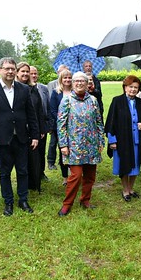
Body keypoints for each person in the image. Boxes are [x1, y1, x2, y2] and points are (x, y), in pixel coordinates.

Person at [0, 57, 39, 216]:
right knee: (4, 173)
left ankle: (23, 199)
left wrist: (34, 135)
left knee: (23, 170)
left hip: (21, 138)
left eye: (12, 68)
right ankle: (8, 202)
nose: (10, 71)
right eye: (6, 68)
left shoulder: (23, 89)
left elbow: (31, 114)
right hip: (1, 140)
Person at [57, 72, 105, 216]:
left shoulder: (93, 100)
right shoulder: (67, 100)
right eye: (76, 81)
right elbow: (61, 125)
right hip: (74, 146)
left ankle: (85, 200)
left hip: (91, 145)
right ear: (72, 83)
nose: (79, 83)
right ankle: (67, 204)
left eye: (82, 81)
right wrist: (63, 145)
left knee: (90, 176)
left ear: (87, 83)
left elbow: (98, 122)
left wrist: (101, 141)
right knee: (76, 176)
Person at [105, 75, 141, 202]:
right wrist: (112, 140)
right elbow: (111, 122)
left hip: (137, 141)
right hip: (122, 141)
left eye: (136, 87)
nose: (133, 90)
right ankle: (125, 190)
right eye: (131, 87)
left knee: (135, 165)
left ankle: (131, 188)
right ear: (125, 87)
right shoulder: (117, 101)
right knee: (124, 165)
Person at [16, 62, 45, 192]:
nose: (26, 74)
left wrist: (41, 129)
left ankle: (35, 183)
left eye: (27, 72)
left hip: (33, 128)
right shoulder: (13, 89)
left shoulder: (33, 89)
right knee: (22, 159)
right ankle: (24, 184)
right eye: (23, 71)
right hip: (19, 130)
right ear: (17, 72)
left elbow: (39, 110)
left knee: (35, 157)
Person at [49, 69, 73, 186]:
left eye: (69, 77)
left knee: (75, 151)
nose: (67, 80)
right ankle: (65, 178)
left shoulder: (76, 92)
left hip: (75, 128)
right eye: (65, 78)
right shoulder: (56, 92)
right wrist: (64, 119)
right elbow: (52, 110)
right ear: (61, 79)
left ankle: (75, 175)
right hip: (61, 127)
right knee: (63, 152)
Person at [30, 66, 51, 182]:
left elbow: (47, 106)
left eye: (35, 73)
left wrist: (46, 125)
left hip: (42, 124)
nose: (34, 76)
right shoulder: (25, 88)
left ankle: (41, 172)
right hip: (31, 126)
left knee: (42, 151)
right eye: (31, 73)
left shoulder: (43, 88)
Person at [47, 64, 68, 170]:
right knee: (53, 143)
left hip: (72, 125)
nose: (66, 77)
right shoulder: (53, 87)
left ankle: (64, 164)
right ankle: (51, 162)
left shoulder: (74, 90)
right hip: (57, 123)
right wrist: (61, 120)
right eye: (61, 72)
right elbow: (52, 107)